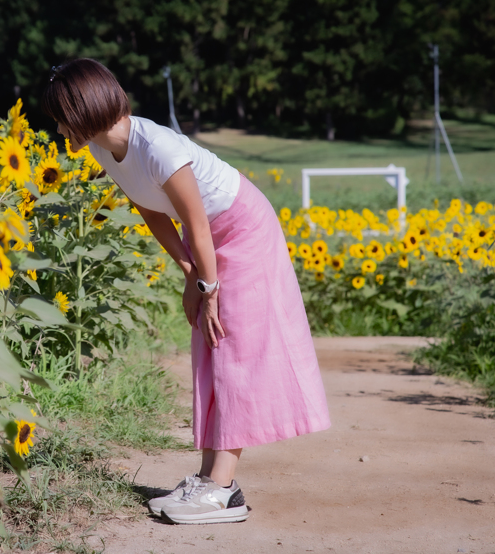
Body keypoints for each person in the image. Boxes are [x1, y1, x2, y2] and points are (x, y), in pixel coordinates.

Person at [41, 58, 330, 525]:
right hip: (209, 241)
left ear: (81, 112)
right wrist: (188, 272)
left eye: (59, 116)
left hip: (242, 229)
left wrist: (207, 286)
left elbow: (197, 220)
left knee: (230, 345)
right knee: (208, 349)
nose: (57, 128)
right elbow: (150, 210)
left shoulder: (158, 147)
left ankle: (223, 489)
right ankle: (208, 480)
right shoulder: (103, 148)